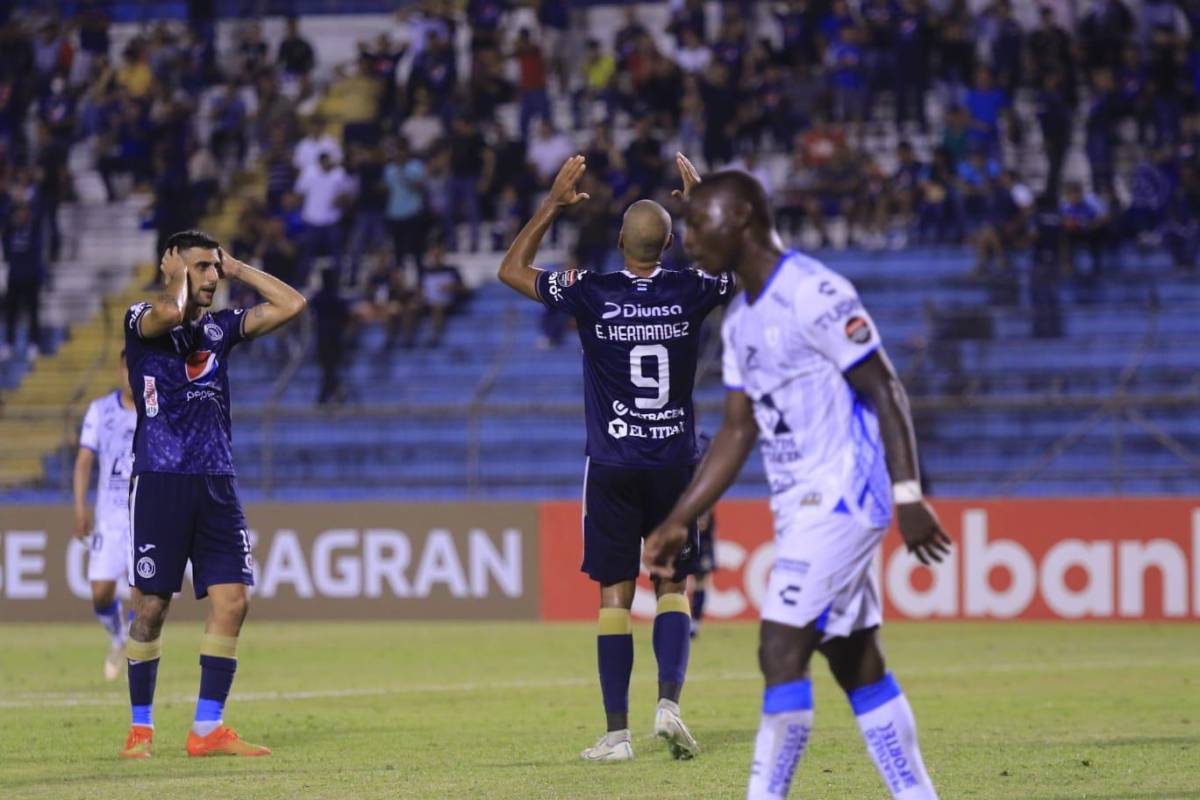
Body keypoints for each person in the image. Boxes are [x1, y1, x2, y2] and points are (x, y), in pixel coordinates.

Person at [643, 168, 950, 800]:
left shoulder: (814, 291)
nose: (689, 237)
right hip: (801, 499)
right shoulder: (740, 322)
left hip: (844, 491)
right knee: (854, 658)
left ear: (743, 220)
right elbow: (735, 430)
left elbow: (884, 386)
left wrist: (909, 493)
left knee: (780, 646)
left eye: (701, 223)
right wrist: (683, 517)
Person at [497, 154, 734, 763]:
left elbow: (511, 270)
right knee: (674, 584)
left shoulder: (591, 291)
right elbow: (751, 272)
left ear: (618, 242)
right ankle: (670, 706)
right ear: (671, 243)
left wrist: (552, 203)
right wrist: (708, 209)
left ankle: (616, 734)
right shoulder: (691, 288)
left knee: (615, 594)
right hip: (675, 463)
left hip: (611, 461)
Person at [120, 230, 306, 759]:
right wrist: (176, 280)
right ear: (172, 267)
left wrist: (238, 267)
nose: (210, 278)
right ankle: (140, 728)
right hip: (159, 479)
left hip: (217, 483)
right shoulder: (142, 320)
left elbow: (292, 304)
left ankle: (207, 728)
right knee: (152, 607)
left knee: (234, 600)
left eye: (212, 269)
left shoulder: (221, 330)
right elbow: (170, 315)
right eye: (200, 267)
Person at [72, 353, 137, 681]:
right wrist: (81, 507)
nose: (132, 375)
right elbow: (84, 460)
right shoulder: (100, 410)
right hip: (109, 518)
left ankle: (140, 654)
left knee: (146, 592)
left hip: (145, 515)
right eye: (129, 368)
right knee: (100, 591)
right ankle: (118, 638)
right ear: (120, 369)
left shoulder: (157, 412)